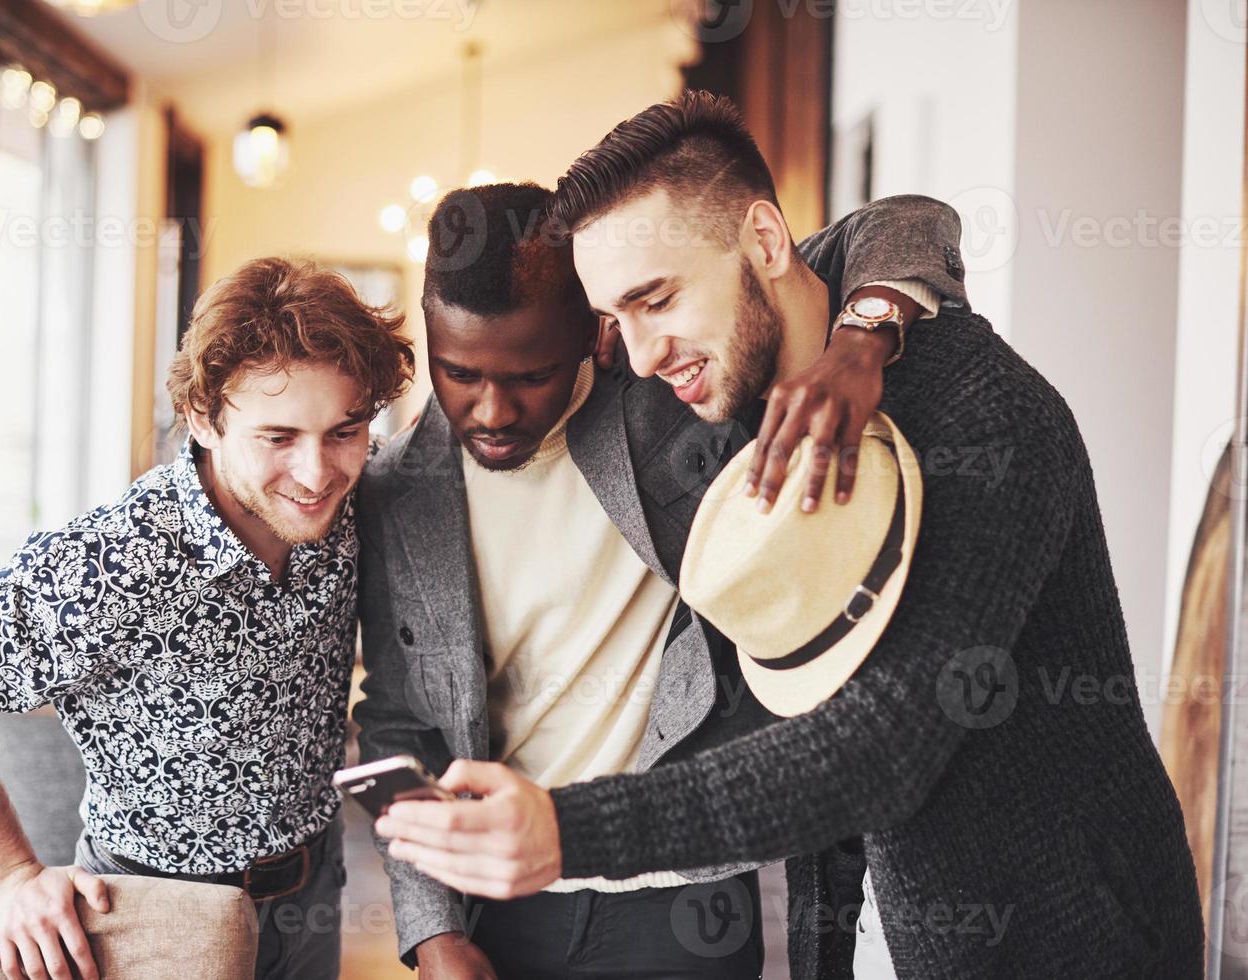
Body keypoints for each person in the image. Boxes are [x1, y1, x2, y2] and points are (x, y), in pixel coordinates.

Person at [373, 92, 1204, 978]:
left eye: (655, 299)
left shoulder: (983, 416)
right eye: (618, 319)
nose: (642, 359)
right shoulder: (748, 393)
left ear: (768, 245)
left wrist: (567, 829)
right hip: (911, 936)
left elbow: (880, 746)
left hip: (1078, 942)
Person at [355, 180, 968, 977]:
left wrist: (859, 341)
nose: (494, 410)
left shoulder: (667, 391)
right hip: (503, 890)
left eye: (533, 375)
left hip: (679, 889)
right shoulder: (395, 494)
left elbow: (908, 223)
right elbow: (400, 719)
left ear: (593, 326)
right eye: (460, 373)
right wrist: (433, 932)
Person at [0, 257, 414, 980]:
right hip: (153, 912)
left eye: (345, 431)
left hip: (315, 891)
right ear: (204, 418)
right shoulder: (115, 558)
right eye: (277, 437)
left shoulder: (354, 501)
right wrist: (10, 873)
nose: (318, 471)